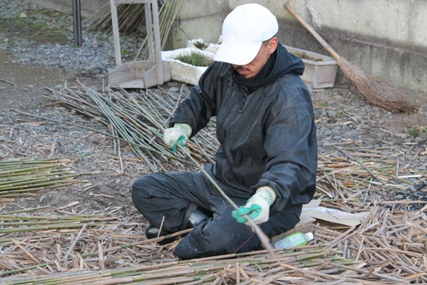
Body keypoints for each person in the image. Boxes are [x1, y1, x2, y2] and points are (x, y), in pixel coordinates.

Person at [132, 3, 317, 260]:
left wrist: (267, 196)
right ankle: (200, 220)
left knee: (208, 242)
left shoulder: (288, 96)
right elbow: (203, 97)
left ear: (271, 45)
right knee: (146, 188)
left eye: (247, 55)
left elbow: (291, 161)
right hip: (220, 180)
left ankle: (202, 226)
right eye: (235, 55)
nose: (239, 63)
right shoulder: (228, 68)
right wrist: (183, 124)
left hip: (261, 200)